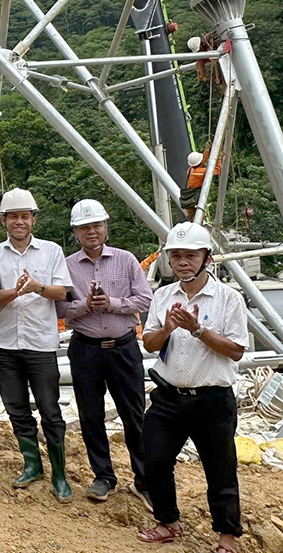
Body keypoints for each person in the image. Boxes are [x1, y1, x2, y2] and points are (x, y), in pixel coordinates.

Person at [137, 223, 246, 553]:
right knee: (154, 461)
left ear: (207, 258)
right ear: (169, 260)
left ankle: (226, 537)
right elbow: (150, 344)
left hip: (212, 400)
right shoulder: (163, 296)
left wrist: (199, 330)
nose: (183, 262)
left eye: (191, 255)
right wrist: (169, 327)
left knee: (220, 471)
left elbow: (237, 350)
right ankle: (168, 522)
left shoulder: (228, 298)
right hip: (169, 396)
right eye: (177, 256)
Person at [57, 199, 153, 506]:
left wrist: (112, 303)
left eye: (96, 225)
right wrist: (85, 305)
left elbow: (145, 300)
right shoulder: (68, 266)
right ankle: (103, 476)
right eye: (84, 227)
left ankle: (144, 478)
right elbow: (61, 309)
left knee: (134, 415)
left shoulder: (126, 260)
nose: (91, 232)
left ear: (105, 227)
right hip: (86, 349)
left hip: (123, 347)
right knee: (91, 415)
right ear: (75, 232)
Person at [0, 188, 72, 501]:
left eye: (25, 216)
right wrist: (14, 293)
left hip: (40, 343)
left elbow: (64, 292)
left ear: (34, 219)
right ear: (4, 220)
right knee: (17, 409)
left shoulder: (50, 251)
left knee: (50, 410)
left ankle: (60, 474)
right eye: (13, 216)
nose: (19, 222)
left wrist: (37, 287)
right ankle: (32, 464)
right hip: (6, 344)